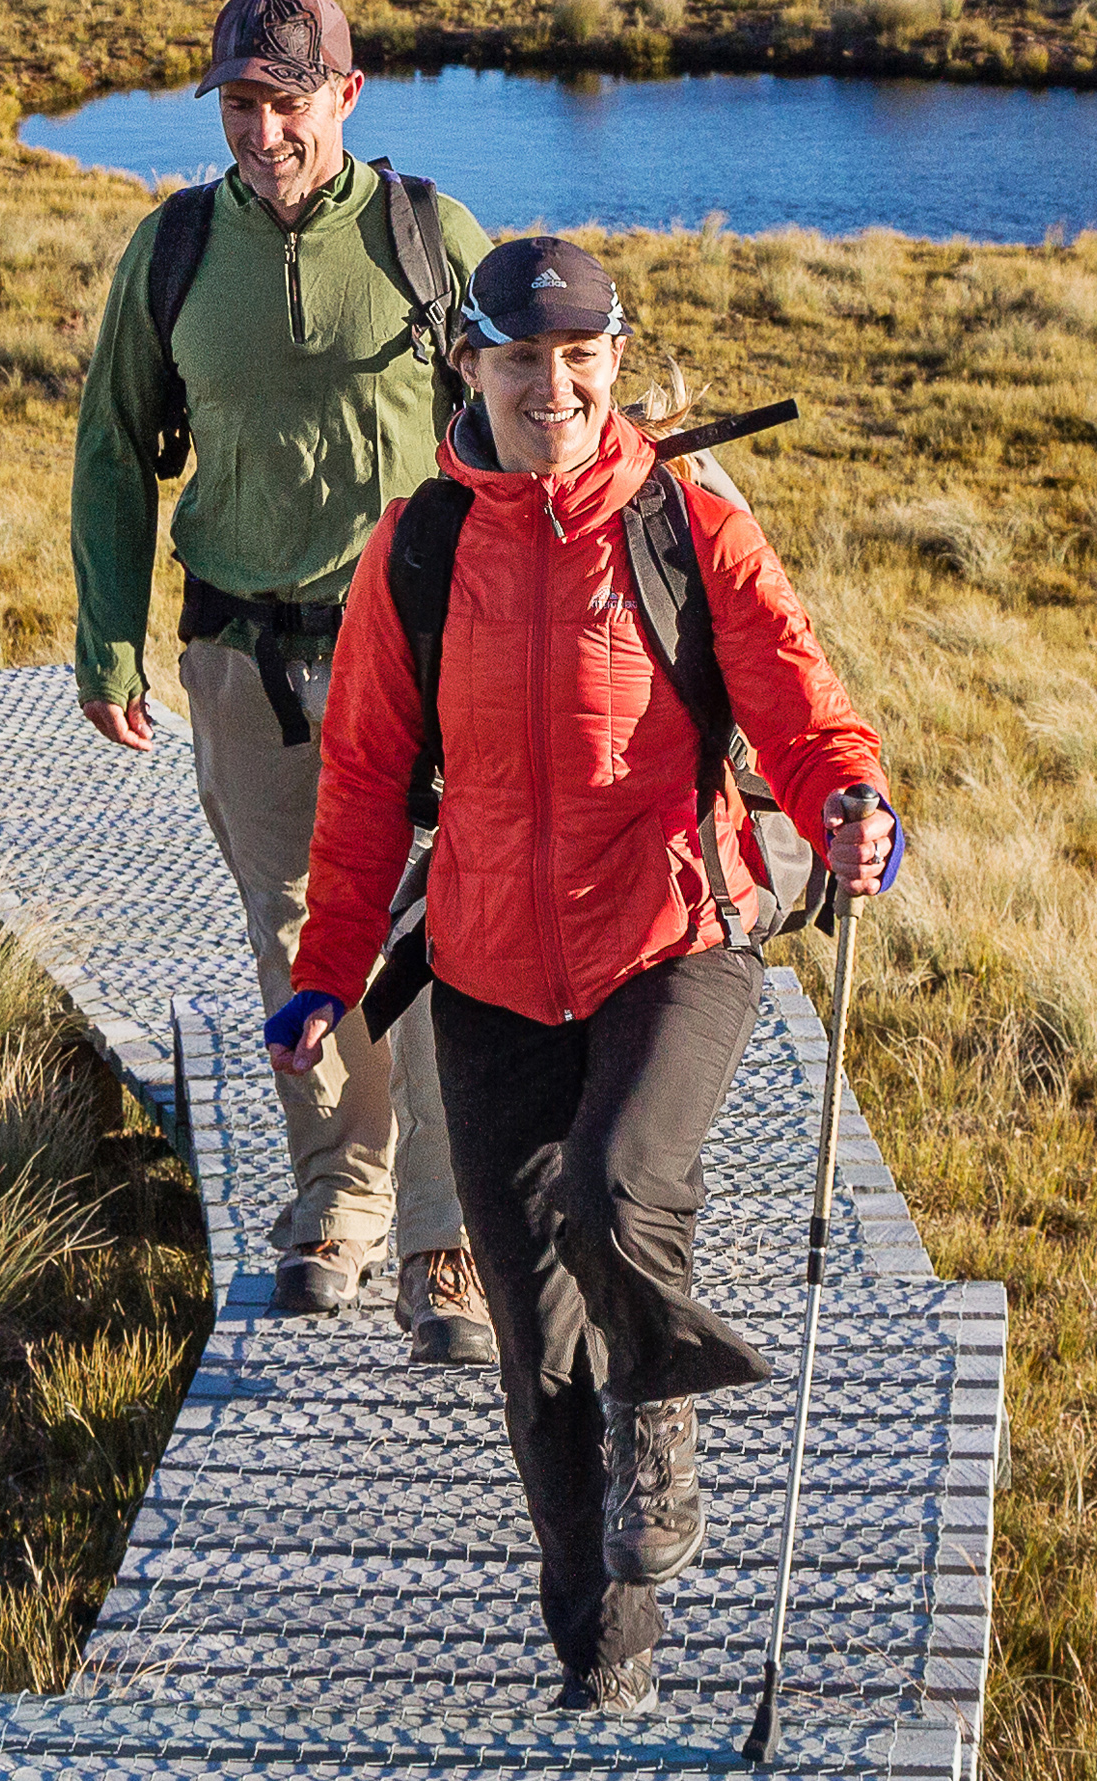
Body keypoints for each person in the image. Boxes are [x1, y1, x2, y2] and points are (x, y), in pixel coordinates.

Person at [273, 236, 905, 1714]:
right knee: (534, 1343)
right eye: (519, 360)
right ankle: (602, 1656)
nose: (551, 387)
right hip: (489, 972)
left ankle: (664, 1397)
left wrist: (851, 807)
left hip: (673, 939)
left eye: (579, 358)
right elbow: (366, 779)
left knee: (618, 1193)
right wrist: (325, 971)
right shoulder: (418, 547)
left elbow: (809, 715)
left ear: (614, 359)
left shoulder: (688, 525)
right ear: (472, 367)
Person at [69, 0, 498, 1358]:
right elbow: (114, 446)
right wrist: (109, 637)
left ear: (347, 98)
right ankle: (337, 1202)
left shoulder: (434, 242)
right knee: (297, 933)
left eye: (288, 101)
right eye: (242, 104)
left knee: (428, 940)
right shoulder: (177, 248)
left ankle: (445, 1235)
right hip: (242, 660)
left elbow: (535, 424)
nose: (262, 131)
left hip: (418, 662)